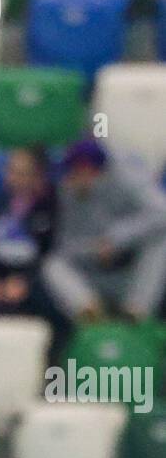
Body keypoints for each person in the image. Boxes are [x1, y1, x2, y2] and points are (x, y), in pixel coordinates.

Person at [42, 139, 166, 324]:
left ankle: (136, 315)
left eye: (75, 171)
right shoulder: (67, 192)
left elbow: (161, 213)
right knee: (53, 265)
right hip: (92, 273)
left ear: (88, 169)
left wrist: (116, 240)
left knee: (161, 240)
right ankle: (91, 316)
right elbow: (65, 247)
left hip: (130, 271)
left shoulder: (127, 178)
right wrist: (93, 248)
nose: (70, 178)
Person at [0, 145, 69, 359]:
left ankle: (47, 374)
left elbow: (54, 254)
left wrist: (25, 281)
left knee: (50, 308)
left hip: (37, 280)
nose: (13, 178)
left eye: (21, 173)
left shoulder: (54, 206)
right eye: (10, 171)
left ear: (39, 177)